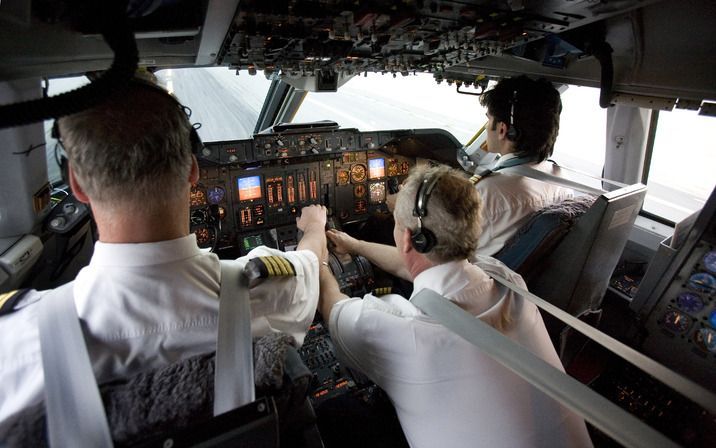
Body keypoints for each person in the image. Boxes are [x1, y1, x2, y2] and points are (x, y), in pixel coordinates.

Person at [0, 80, 328, 434]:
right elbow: (310, 262)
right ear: (193, 169)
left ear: (77, 185)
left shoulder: (15, 345)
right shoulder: (268, 290)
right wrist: (314, 226)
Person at [320, 164, 592, 448]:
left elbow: (329, 302)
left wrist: (316, 231)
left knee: (333, 411)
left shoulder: (404, 326)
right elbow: (415, 265)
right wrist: (356, 245)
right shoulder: (507, 279)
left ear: (409, 239)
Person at [474, 75, 574, 255]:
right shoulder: (562, 181)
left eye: (489, 119)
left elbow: (442, 251)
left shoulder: (487, 192)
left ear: (503, 129)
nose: (487, 126)